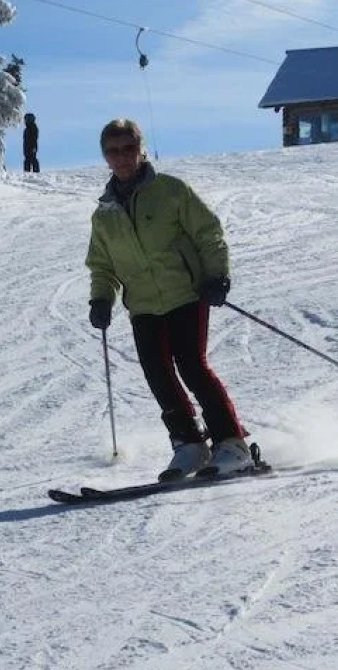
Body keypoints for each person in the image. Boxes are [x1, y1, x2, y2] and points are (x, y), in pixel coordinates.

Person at [85, 118, 254, 480]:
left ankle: (232, 444)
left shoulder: (171, 191)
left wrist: (216, 275)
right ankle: (190, 445)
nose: (122, 157)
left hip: (185, 295)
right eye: (114, 151)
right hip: (143, 305)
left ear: (140, 149)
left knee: (191, 366)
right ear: (105, 157)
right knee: (158, 375)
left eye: (128, 148)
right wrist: (101, 299)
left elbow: (208, 232)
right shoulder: (104, 215)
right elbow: (101, 265)